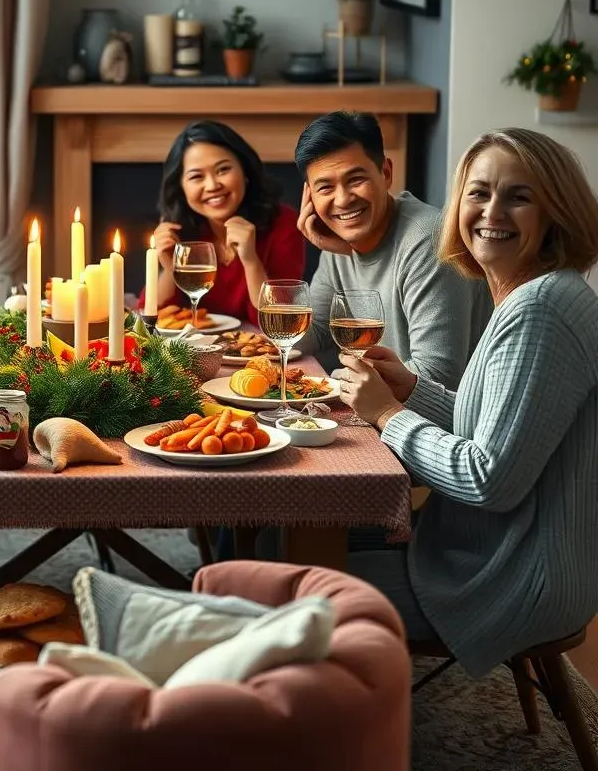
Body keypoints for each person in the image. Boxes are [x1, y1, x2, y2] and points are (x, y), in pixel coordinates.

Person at [336, 128, 598, 676]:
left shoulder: (539, 312)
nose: (491, 211)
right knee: (289, 529)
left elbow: (489, 478)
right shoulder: (530, 292)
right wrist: (411, 388)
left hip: (510, 579)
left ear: (556, 212)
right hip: (497, 559)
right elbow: (497, 426)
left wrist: (388, 414)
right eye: (479, 193)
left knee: (288, 572)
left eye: (518, 196)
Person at [294, 110, 491, 389]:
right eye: (325, 187)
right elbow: (307, 338)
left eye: (355, 180)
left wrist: (343, 384)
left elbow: (436, 374)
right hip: (386, 409)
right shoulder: (340, 241)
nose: (343, 199)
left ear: (386, 173)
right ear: (309, 196)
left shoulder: (428, 240)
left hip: (439, 423)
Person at [147, 120, 305, 323]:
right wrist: (171, 269)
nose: (212, 185)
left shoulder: (283, 222)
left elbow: (280, 323)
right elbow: (153, 319)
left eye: (223, 170)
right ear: (181, 188)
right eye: (196, 177)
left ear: (245, 171)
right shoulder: (178, 229)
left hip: (255, 351)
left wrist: (250, 260)